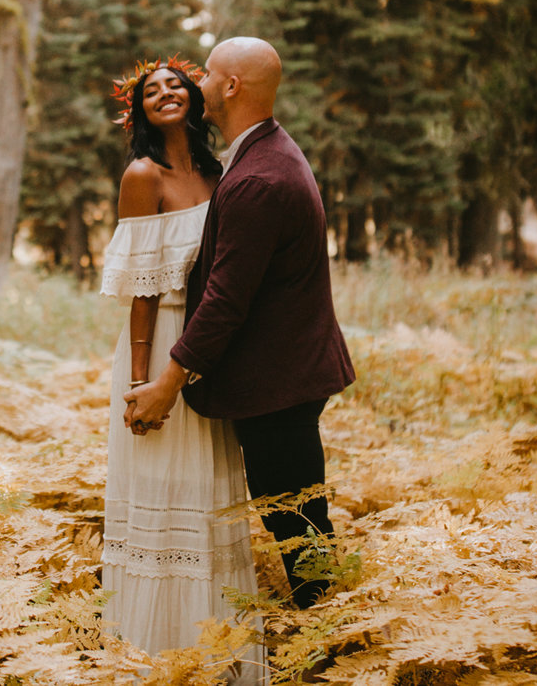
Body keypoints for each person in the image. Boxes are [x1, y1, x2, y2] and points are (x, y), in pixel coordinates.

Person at [124, 36, 358, 611]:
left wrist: (166, 384)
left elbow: (226, 302)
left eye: (205, 76)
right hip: (286, 373)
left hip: (278, 383)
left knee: (299, 529)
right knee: (299, 522)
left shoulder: (256, 178)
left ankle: (333, 644)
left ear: (230, 87)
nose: (196, 83)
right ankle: (330, 636)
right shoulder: (264, 153)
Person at [97, 58, 266, 683]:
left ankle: (215, 660)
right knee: (160, 494)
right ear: (137, 110)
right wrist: (145, 381)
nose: (164, 94)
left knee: (209, 498)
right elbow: (143, 288)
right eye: (150, 90)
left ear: (196, 98)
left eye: (175, 85)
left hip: (205, 350)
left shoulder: (222, 175)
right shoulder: (143, 176)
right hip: (160, 343)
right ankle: (153, 660)